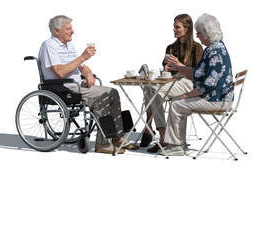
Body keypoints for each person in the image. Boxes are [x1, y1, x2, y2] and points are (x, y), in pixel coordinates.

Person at [38, 15, 138, 154]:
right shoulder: (49, 45)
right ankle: (102, 144)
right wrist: (83, 57)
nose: (72, 31)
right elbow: (59, 72)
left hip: (77, 85)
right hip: (62, 88)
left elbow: (82, 67)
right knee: (102, 95)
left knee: (113, 92)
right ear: (56, 30)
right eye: (68, 28)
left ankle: (118, 137)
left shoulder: (69, 45)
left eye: (71, 28)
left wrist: (89, 74)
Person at [157, 13, 234, 156]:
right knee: (178, 102)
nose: (197, 36)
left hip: (217, 99)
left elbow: (208, 85)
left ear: (206, 33)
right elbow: (199, 73)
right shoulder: (215, 47)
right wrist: (179, 67)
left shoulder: (214, 52)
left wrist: (186, 94)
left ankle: (175, 146)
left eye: (199, 33)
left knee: (176, 104)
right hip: (218, 97)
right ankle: (180, 143)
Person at [140, 14, 203, 153]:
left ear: (187, 28)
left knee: (151, 90)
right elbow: (166, 69)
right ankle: (163, 135)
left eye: (177, 27)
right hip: (171, 82)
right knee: (149, 88)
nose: (174, 30)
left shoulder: (196, 48)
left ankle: (150, 129)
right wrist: (166, 68)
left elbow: (198, 74)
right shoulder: (171, 47)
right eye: (174, 27)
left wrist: (179, 65)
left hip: (188, 83)